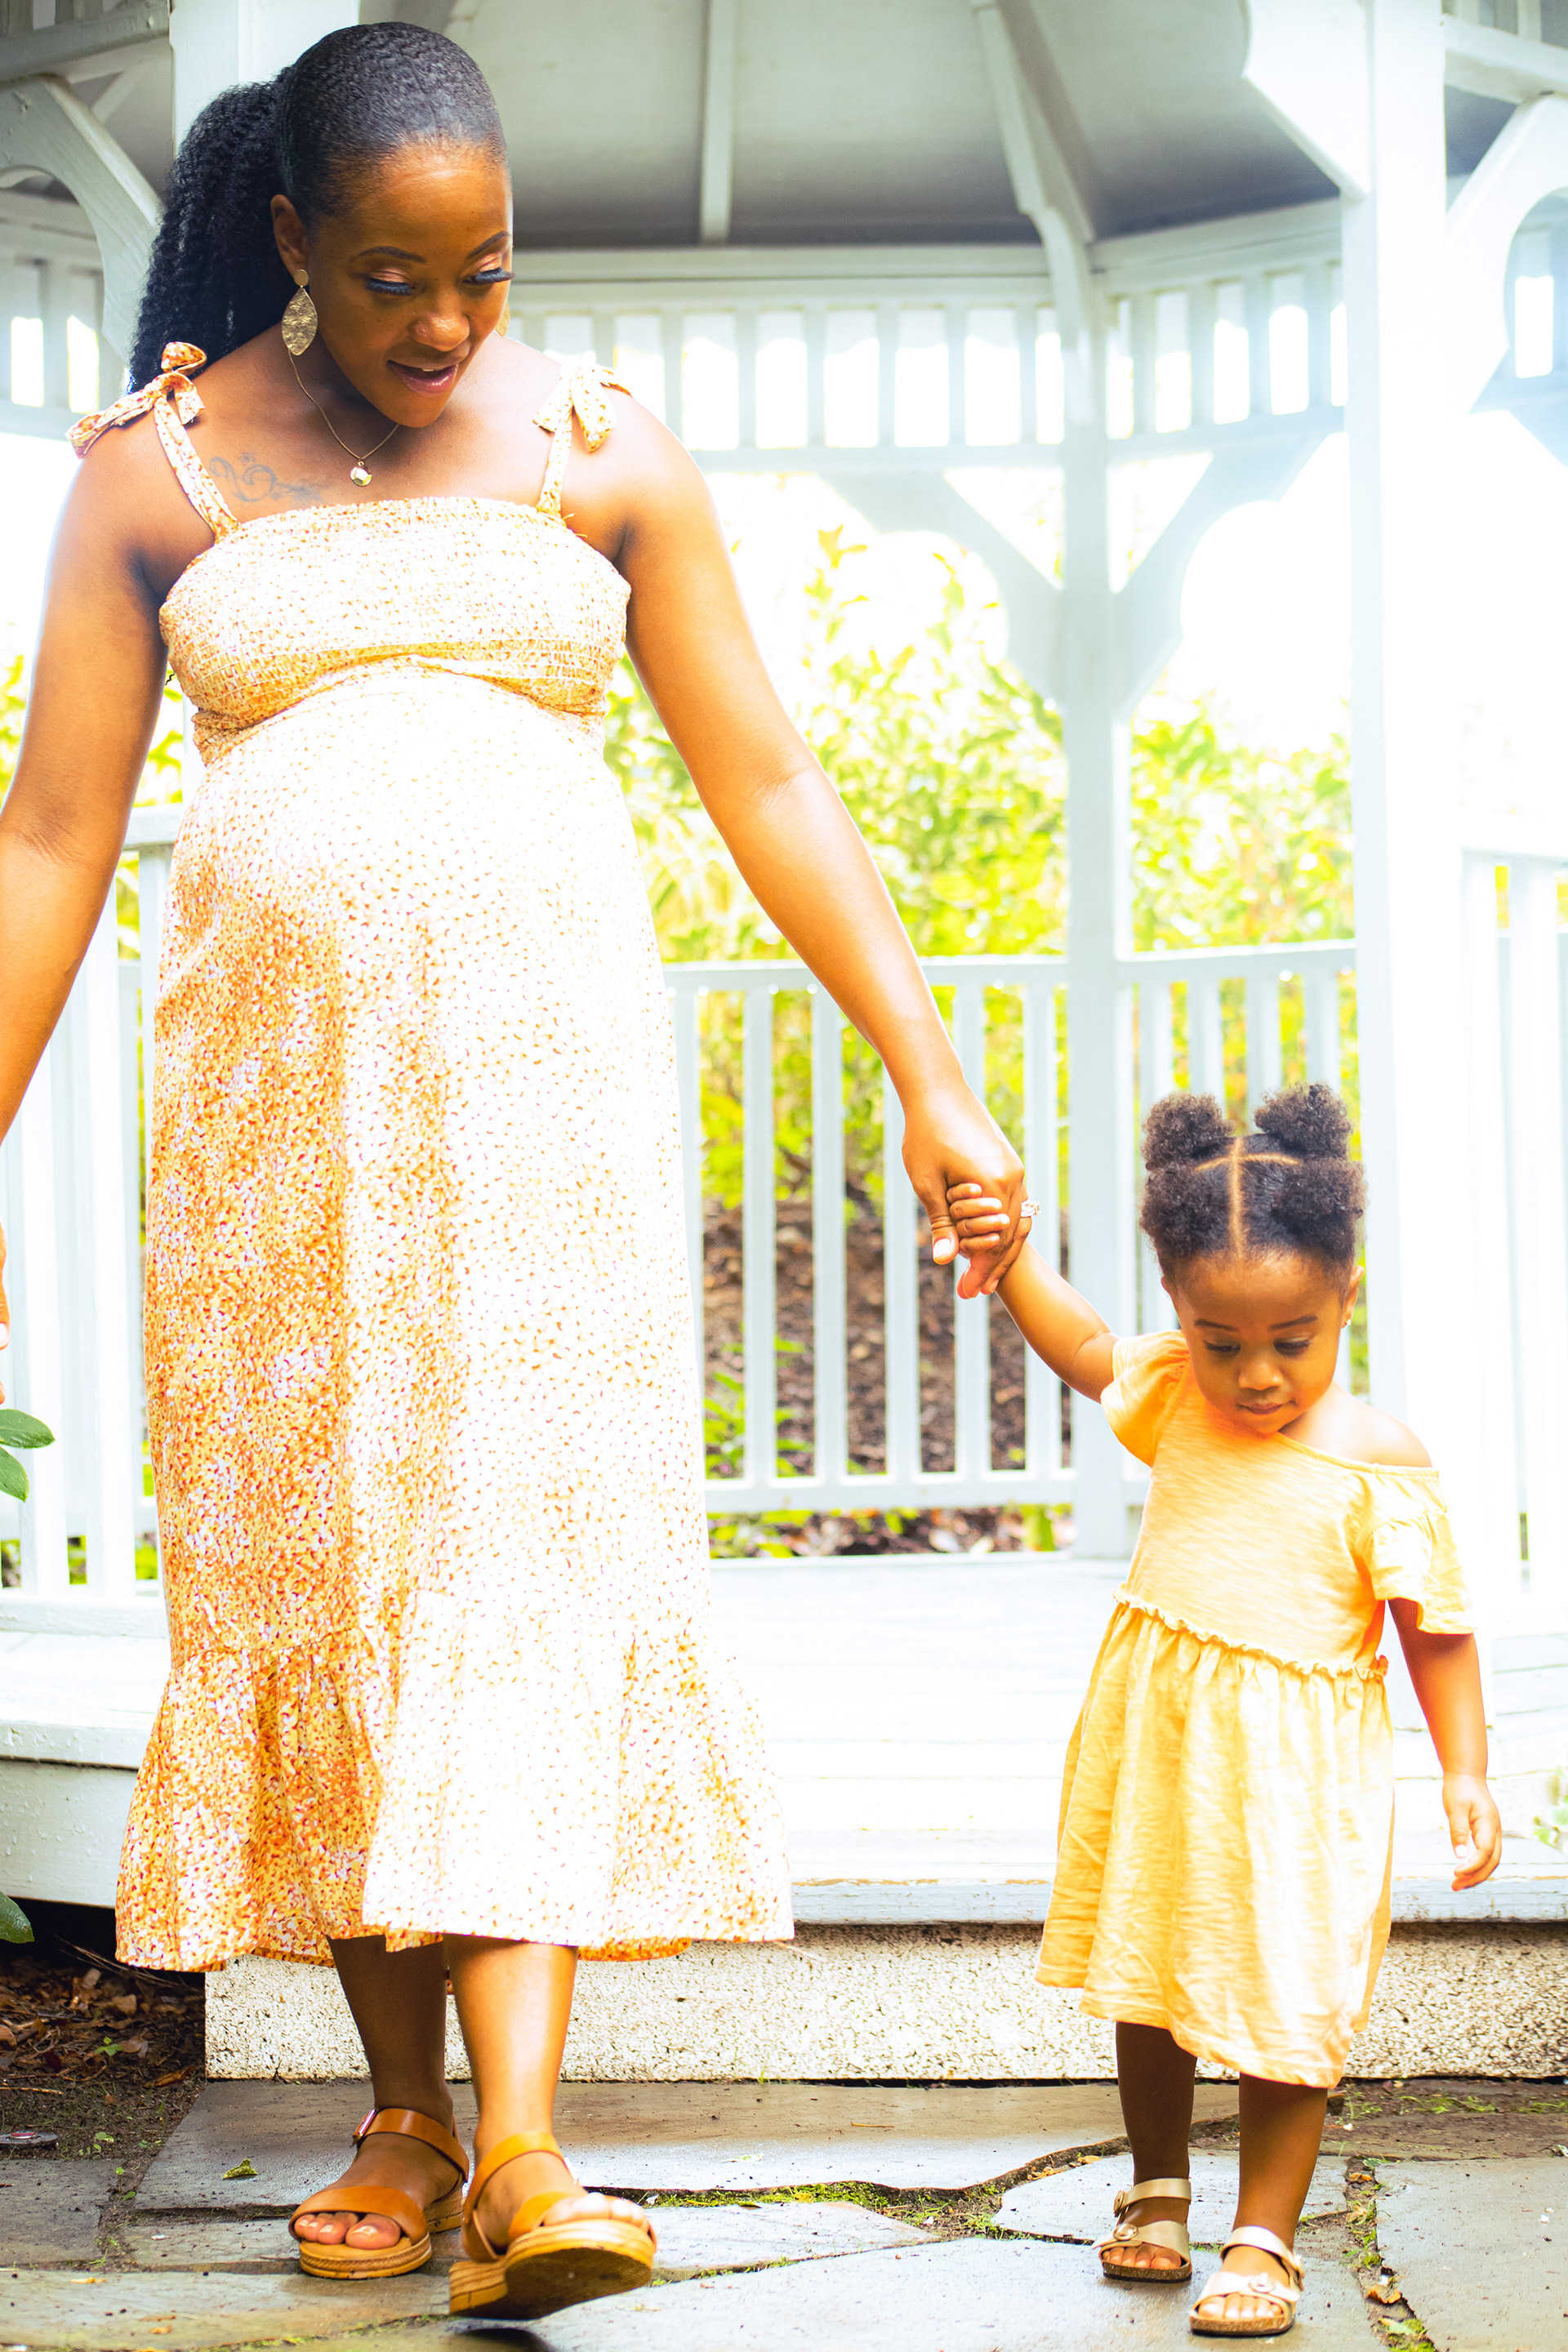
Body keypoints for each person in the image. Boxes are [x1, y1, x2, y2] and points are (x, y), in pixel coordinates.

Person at [0, 21, 1027, 2325]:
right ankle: (403, 2111)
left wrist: (930, 1072)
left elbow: (772, 782)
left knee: (515, 1557)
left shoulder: (598, 454)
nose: (447, 321)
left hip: (544, 1130)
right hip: (272, 1132)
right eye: (394, 276)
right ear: (293, 237)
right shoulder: (158, 472)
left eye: (483, 270)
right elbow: (51, 836)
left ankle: (531, 2144)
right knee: (333, 1567)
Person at [947, 1085, 1499, 2340]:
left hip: (1298, 1783)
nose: (1255, 1376)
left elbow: (1437, 1630)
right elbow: (1086, 1347)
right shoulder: (1175, 1397)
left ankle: (1264, 2233)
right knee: (1151, 1970)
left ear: (1348, 1296)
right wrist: (1012, 1255)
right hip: (1163, 1751)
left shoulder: (1378, 1458)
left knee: (1286, 1992)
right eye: (1220, 1341)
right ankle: (1156, 2185)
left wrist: (1466, 1772)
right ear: (1181, 1311)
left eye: (1292, 1341)